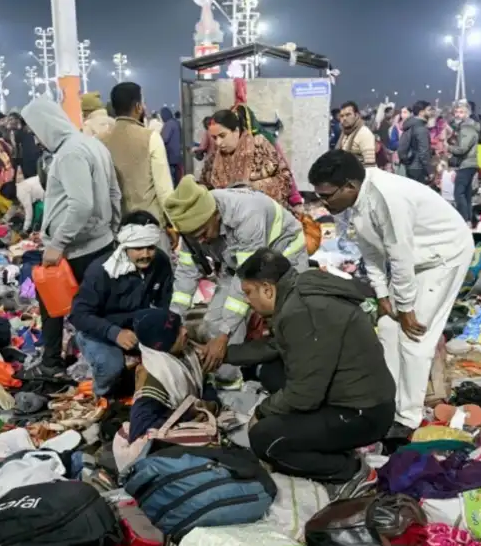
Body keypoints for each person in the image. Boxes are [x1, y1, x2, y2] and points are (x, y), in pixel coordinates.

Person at [309, 150, 473, 434]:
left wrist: (407, 309)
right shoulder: (353, 201)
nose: (323, 203)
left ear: (349, 185)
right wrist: (383, 295)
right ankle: (386, 402)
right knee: (387, 326)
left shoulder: (386, 198)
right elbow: (371, 251)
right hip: (413, 259)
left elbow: (400, 257)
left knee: (414, 336)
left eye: (327, 195)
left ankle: (407, 418)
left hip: (444, 254)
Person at [228, 248, 394, 493]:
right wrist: (225, 355)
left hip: (363, 413)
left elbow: (305, 394)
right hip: (362, 400)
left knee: (266, 439)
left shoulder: (301, 311)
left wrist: (262, 412)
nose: (247, 301)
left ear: (267, 288)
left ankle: (351, 472)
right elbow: (277, 347)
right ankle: (326, 442)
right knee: (270, 370)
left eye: (249, 293)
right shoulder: (301, 291)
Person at [164, 175, 309, 388]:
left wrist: (224, 336)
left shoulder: (247, 214)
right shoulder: (192, 231)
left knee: (286, 319)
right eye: (195, 237)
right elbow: (186, 274)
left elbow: (246, 283)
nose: (201, 241)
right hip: (237, 263)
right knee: (214, 322)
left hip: (284, 256)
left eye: (203, 233)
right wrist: (172, 322)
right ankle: (229, 384)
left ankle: (293, 380)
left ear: (215, 215)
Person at [21, 95, 122, 378]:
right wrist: (112, 230)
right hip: (100, 241)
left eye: (36, 131)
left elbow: (81, 204)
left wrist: (58, 244)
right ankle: (99, 363)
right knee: (94, 309)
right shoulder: (92, 145)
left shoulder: (69, 154)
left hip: (76, 249)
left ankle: (53, 361)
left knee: (55, 303)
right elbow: (115, 192)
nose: (37, 139)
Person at [69, 211, 173, 397]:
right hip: (101, 330)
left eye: (150, 247)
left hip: (138, 329)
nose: (146, 254)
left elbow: (165, 303)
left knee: (174, 355)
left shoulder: (161, 262)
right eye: (138, 248)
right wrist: (114, 333)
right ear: (124, 246)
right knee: (110, 367)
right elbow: (78, 315)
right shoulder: (101, 271)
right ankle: (101, 397)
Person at [127, 308, 217, 444]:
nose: (185, 331)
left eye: (180, 325)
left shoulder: (185, 353)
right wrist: (187, 416)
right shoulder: (153, 381)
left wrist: (210, 403)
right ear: (161, 343)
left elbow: (204, 382)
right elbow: (138, 433)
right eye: (176, 332)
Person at [103, 82, 174, 247]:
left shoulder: (100, 140)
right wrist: (173, 224)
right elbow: (164, 190)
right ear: (137, 107)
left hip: (115, 230)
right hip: (149, 227)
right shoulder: (150, 137)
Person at [199, 109, 292, 206]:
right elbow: (205, 187)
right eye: (214, 138)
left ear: (236, 131)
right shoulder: (214, 158)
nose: (218, 142)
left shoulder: (259, 146)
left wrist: (252, 189)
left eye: (222, 136)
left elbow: (285, 179)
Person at [233, 104, 303, 208]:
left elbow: (284, 171)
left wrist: (295, 199)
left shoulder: (265, 141)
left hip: (268, 203)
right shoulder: (228, 147)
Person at [449, 103, 480, 223]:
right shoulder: (465, 127)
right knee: (466, 193)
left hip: (467, 163)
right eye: (456, 112)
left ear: (467, 114)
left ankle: (463, 219)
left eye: (461, 112)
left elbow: (462, 149)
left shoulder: (467, 128)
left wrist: (448, 147)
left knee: (459, 193)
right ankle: (468, 219)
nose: (457, 114)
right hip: (470, 163)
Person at [398, 100, 435, 185]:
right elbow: (423, 152)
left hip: (411, 165)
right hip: (419, 167)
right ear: (421, 112)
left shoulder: (411, 125)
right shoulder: (421, 129)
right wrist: (430, 171)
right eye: (429, 110)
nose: (431, 112)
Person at [335, 101, 376, 167]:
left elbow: (370, 166)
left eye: (348, 115)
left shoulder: (364, 133)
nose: (344, 118)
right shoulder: (344, 133)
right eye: (342, 116)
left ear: (356, 115)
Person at [7, 113, 40, 179]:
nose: (10, 122)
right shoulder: (14, 131)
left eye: (11, 119)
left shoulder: (25, 129)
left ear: (17, 119)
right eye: (9, 120)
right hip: (25, 158)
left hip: (31, 156)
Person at [160, 107, 183, 185]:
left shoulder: (168, 124)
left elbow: (164, 139)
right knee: (177, 177)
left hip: (171, 156)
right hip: (177, 155)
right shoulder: (176, 122)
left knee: (171, 179)